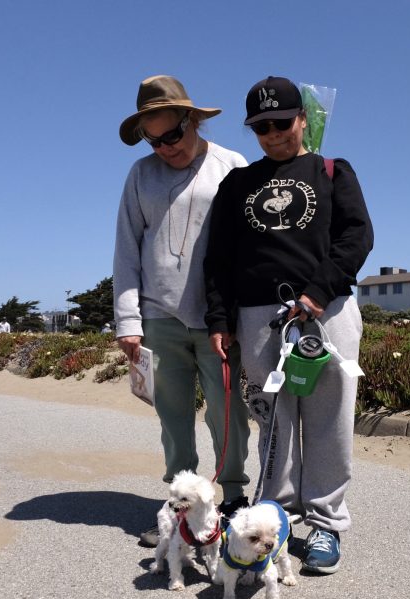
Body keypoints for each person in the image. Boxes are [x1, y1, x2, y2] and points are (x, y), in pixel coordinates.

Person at [204, 76, 374, 574]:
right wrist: (220, 317)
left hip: (328, 312)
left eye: (282, 122)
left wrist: (318, 291)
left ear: (303, 118)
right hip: (259, 316)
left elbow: (357, 236)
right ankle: (274, 517)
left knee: (329, 419)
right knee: (272, 420)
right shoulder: (237, 184)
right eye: (261, 127)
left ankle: (325, 521)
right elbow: (218, 259)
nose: (273, 134)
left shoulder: (332, 171)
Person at [113, 75, 252, 547]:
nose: (164, 148)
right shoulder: (140, 175)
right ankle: (179, 505)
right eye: (153, 141)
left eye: (172, 135)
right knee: (172, 416)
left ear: (191, 120)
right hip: (158, 315)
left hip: (218, 318)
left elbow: (251, 246)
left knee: (226, 412)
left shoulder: (233, 165)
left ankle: (231, 497)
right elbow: (126, 250)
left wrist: (240, 313)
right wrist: (128, 320)